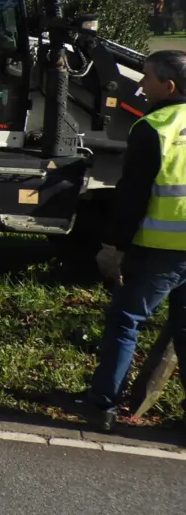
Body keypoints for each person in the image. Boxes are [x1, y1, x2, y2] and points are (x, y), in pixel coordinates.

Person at [75, 49, 186, 433]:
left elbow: (133, 195)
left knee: (126, 321)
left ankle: (101, 405)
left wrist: (113, 246)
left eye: (148, 78)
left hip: (162, 248)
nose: (140, 84)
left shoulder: (153, 128)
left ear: (168, 86)